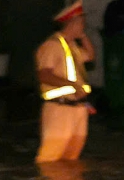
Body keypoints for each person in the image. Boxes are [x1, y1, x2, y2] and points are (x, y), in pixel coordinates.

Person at [35, 1, 96, 164]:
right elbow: (44, 75)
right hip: (60, 109)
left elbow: (90, 56)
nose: (84, 27)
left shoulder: (72, 46)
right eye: (82, 23)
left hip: (77, 109)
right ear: (73, 23)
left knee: (71, 158)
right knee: (51, 159)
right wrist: (72, 85)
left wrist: (82, 36)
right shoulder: (52, 46)